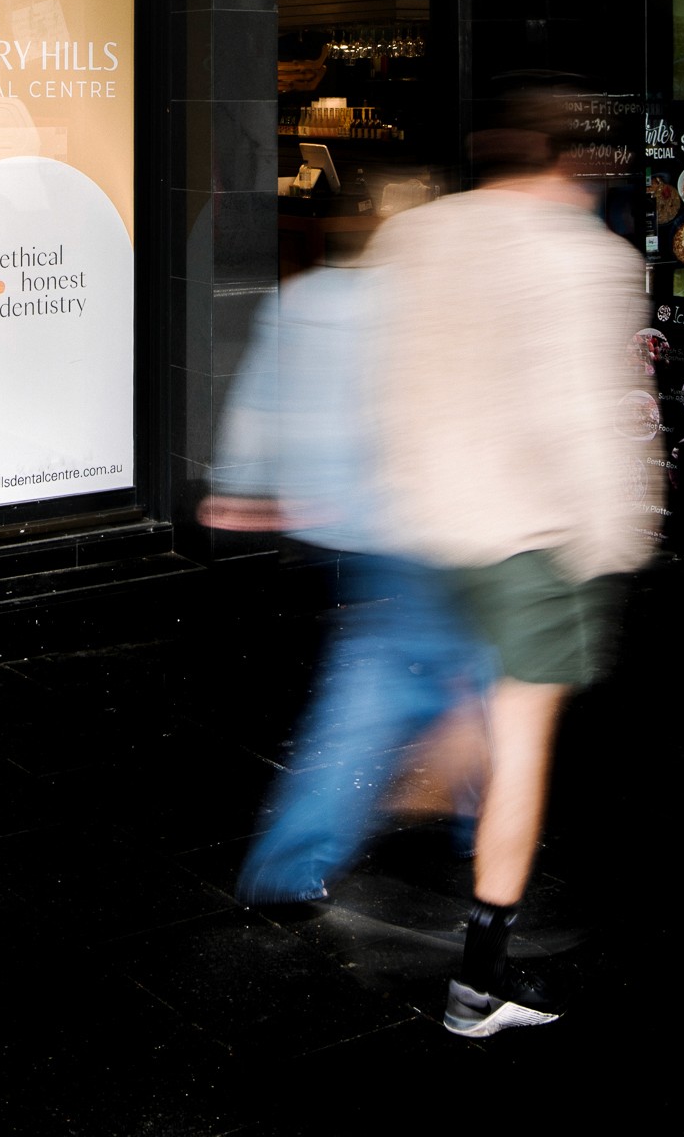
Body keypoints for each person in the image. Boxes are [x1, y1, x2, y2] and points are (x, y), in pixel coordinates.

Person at [367, 93, 652, 1037]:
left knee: (479, 700)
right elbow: (585, 419)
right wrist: (616, 537)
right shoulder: (586, 259)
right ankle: (477, 985)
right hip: (529, 537)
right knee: (523, 743)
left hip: (431, 526)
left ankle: (441, 752)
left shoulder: (419, 236)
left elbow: (391, 379)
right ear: (567, 161)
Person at [201, 258, 491, 906]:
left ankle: (462, 806)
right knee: (420, 672)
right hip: (418, 518)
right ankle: (300, 856)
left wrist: (239, 483)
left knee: (411, 665)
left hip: (345, 521)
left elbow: (257, 399)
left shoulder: (303, 296)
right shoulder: (427, 298)